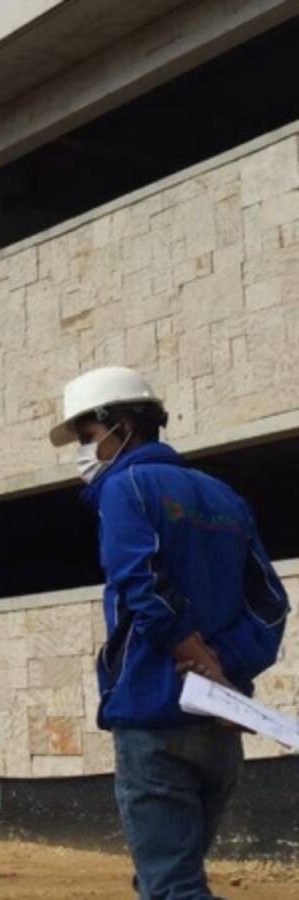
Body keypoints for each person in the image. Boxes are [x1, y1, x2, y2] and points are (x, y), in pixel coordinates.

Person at [50, 366, 289, 900]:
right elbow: (272, 604)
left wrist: (189, 648)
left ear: (122, 426)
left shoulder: (125, 487)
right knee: (170, 878)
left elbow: (139, 581)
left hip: (152, 714)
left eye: (87, 438)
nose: (84, 454)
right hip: (219, 722)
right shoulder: (225, 498)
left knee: (171, 887)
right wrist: (224, 665)